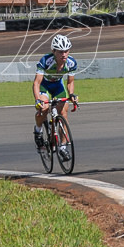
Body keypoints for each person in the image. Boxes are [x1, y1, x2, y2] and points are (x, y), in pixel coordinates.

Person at [32, 33, 78, 161]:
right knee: (44, 108)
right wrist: (38, 100)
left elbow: (70, 82)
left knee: (63, 113)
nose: (64, 54)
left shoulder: (71, 63)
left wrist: (72, 95)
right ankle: (38, 130)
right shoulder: (45, 61)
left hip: (58, 86)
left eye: (66, 51)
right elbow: (36, 83)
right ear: (54, 51)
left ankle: (62, 146)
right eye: (60, 52)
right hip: (45, 86)